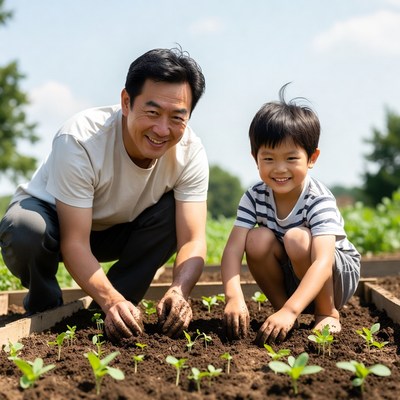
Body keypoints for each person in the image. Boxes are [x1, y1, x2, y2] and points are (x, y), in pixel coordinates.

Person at [0, 47, 208, 341]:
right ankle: (45, 309)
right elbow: (74, 242)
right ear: (126, 102)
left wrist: (179, 289)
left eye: (177, 117)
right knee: (25, 229)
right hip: (56, 224)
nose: (162, 129)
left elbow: (193, 238)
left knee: (174, 214)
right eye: (152, 112)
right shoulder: (81, 140)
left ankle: (116, 308)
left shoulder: (190, 153)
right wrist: (109, 299)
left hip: (118, 228)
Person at [221, 84, 360, 345]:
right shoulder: (254, 195)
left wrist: (293, 309)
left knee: (297, 238)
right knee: (256, 239)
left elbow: (322, 261)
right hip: (294, 271)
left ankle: (326, 312)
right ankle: (282, 310)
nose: (280, 169)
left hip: (335, 273)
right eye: (269, 158)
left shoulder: (317, 198)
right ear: (255, 158)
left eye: (291, 158)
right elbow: (232, 250)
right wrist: (233, 296)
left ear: (312, 158)